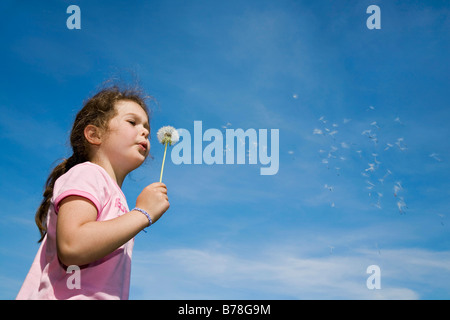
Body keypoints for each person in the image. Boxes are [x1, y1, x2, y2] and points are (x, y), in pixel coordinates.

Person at [16, 85, 170, 299]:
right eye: (132, 122)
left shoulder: (116, 198)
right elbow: (73, 246)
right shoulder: (87, 174)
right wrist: (142, 213)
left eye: (147, 128)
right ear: (94, 134)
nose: (144, 131)